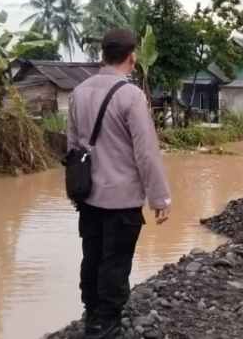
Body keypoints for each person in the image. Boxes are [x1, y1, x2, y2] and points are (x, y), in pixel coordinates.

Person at [67, 28, 172, 339]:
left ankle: (92, 314)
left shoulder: (78, 92)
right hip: (122, 199)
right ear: (132, 57)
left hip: (88, 195)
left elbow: (72, 148)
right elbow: (146, 152)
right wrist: (159, 198)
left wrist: (74, 191)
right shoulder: (131, 95)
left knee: (92, 255)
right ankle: (106, 324)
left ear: (103, 54)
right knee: (115, 261)